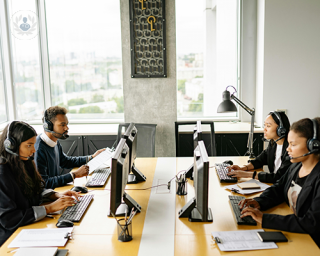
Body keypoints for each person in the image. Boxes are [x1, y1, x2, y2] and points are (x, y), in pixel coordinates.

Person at [239, 117, 320, 247]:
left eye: (293, 145)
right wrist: (259, 202)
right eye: (288, 144)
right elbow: (278, 188)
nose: (288, 149)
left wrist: (265, 219)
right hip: (296, 235)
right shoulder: (296, 166)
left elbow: (312, 222)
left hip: (311, 243)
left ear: (313, 145)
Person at [0, 121, 80, 246]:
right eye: (29, 145)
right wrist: (49, 208)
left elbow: (33, 192)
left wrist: (54, 195)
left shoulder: (24, 161)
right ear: (11, 145)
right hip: (10, 238)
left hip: (27, 228)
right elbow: (9, 219)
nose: (34, 149)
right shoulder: (2, 174)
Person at [34, 106, 105, 189]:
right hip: (47, 198)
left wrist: (91, 157)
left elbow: (65, 161)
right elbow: (44, 183)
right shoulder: (39, 149)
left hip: (56, 192)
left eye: (66, 124)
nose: (66, 128)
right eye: (62, 124)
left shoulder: (55, 142)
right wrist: (74, 175)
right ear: (48, 126)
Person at [227, 111, 291, 183]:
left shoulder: (290, 149)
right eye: (264, 125)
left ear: (281, 129)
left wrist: (247, 175)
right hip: (274, 186)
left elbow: (279, 177)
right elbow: (260, 160)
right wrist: (242, 168)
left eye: (268, 126)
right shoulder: (273, 144)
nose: (264, 129)